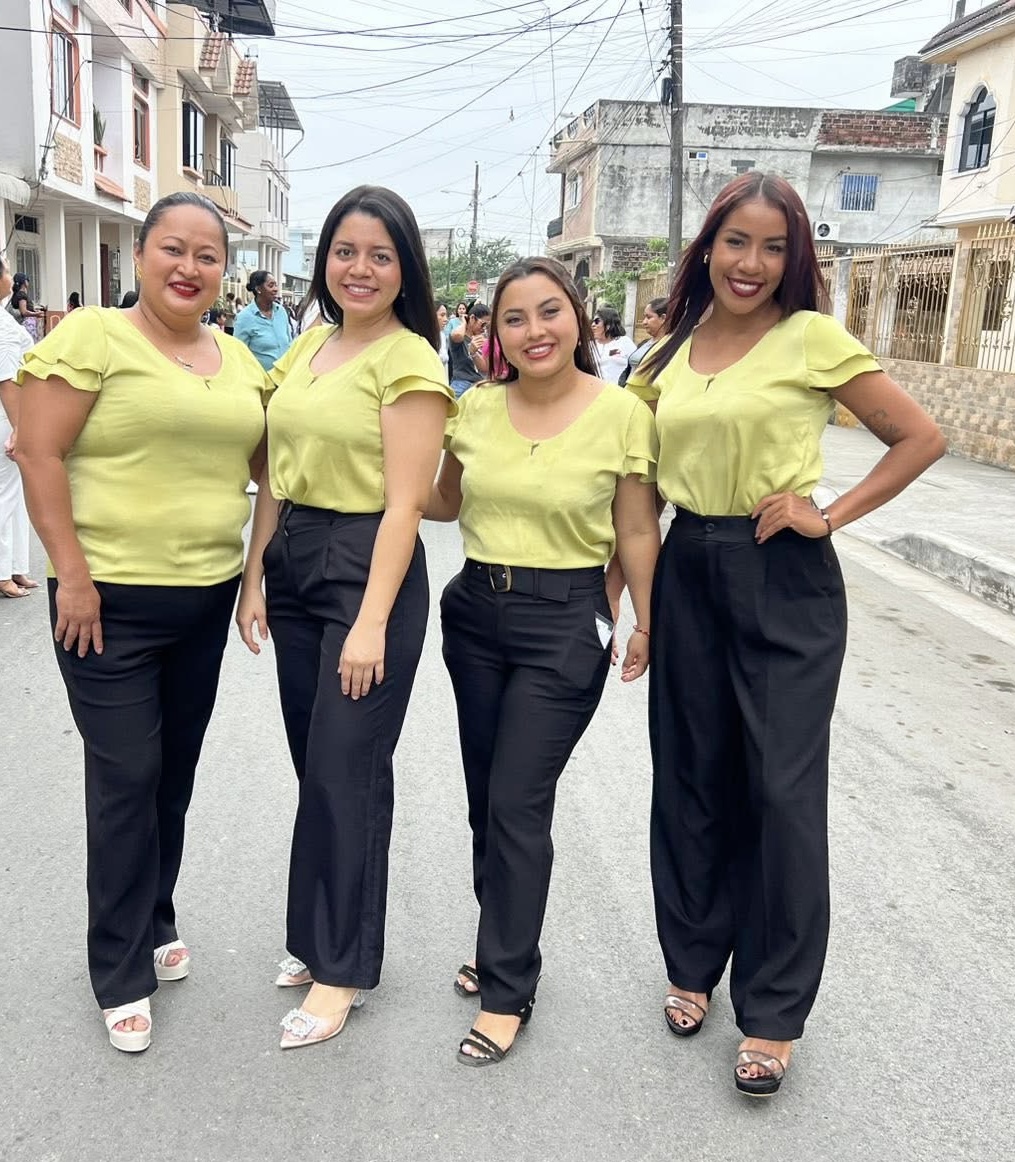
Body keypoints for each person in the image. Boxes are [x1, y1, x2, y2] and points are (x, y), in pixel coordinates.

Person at [626, 171, 946, 1097]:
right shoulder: (665, 354)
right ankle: (692, 962)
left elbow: (918, 437)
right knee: (690, 778)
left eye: (774, 247)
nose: (752, 263)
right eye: (736, 242)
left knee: (779, 791)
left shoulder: (809, 338)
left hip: (783, 572)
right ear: (707, 249)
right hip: (689, 566)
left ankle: (771, 1010)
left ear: (794, 258)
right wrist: (636, 607)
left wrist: (828, 513)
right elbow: (634, 492)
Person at [14, 191, 269, 1053]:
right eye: (172, 249)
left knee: (171, 775)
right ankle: (119, 969)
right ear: (141, 255)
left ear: (223, 270)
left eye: (207, 255)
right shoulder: (94, 337)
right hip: (105, 605)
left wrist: (255, 576)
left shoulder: (238, 359)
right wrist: (72, 575)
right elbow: (37, 450)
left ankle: (155, 914)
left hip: (204, 597)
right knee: (126, 777)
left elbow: (270, 467)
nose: (188, 267)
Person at [235, 185, 455, 1051]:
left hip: (367, 567)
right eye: (344, 251)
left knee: (346, 769)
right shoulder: (311, 344)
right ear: (322, 258)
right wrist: (256, 573)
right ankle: (314, 937)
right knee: (315, 766)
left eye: (379, 255)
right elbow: (272, 471)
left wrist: (370, 623)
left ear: (406, 269)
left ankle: (343, 968)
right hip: (295, 558)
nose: (359, 269)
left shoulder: (409, 361)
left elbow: (407, 504)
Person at [428, 256, 660, 1066]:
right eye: (514, 317)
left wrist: (643, 620)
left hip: (564, 622)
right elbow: (443, 500)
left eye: (549, 311)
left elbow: (636, 529)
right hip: (473, 613)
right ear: (494, 332)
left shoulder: (620, 413)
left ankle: (506, 988)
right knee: (484, 798)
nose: (534, 331)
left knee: (518, 803)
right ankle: (501, 939)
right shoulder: (473, 408)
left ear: (579, 317)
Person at [0, 256, 37, 598]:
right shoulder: (1, 326)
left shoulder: (4, 317)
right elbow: (6, 381)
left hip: (13, 414)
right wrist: (18, 428)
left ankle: (14, 567)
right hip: (6, 416)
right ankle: (3, 573)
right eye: (7, 269)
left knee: (15, 494)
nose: (11, 276)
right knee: (5, 495)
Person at [233, 270, 293, 370]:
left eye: (276, 285)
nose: (275, 289)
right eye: (271, 285)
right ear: (258, 289)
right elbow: (239, 354)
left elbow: (289, 343)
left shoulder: (281, 311)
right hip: (260, 377)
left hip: (286, 376)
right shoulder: (244, 317)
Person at [618, 297, 667, 387]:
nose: (644, 322)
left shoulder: (669, 346)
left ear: (663, 318)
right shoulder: (644, 343)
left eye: (649, 317)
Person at [447, 302, 490, 398]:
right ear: (472, 318)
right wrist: (464, 321)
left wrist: (474, 353)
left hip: (478, 385)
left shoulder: (481, 339)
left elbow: (484, 368)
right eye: (483, 324)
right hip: (461, 384)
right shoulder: (461, 337)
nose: (484, 329)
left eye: (487, 326)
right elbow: (457, 335)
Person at [591, 305, 636, 385]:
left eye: (597, 322)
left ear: (608, 325)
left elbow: (636, 366)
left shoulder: (624, 342)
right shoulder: (590, 345)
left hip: (617, 390)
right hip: (594, 389)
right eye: (593, 321)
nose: (593, 325)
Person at [9, 274, 45, 341]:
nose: (28, 282)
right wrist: (36, 314)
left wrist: (34, 311)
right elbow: (24, 312)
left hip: (25, 323)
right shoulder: (21, 294)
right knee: (30, 343)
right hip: (27, 324)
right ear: (24, 282)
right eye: (27, 280)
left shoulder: (18, 293)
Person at [436, 301, 450, 377]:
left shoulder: (442, 335)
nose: (446, 319)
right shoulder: (422, 338)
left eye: (446, 315)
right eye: (442, 315)